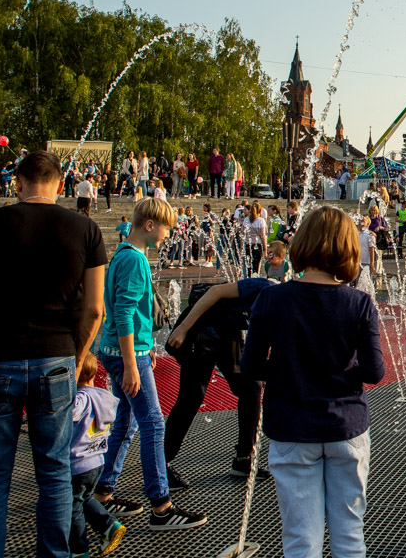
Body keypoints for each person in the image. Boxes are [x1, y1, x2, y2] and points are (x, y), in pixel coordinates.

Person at [0, 150, 107, 556]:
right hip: (56, 361)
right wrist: (75, 354)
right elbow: (96, 309)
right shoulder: (85, 229)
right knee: (54, 475)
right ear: (60, 183)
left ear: (18, 183)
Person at [241, 206, 385, 556]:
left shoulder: (271, 298)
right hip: (346, 425)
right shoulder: (360, 303)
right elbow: (374, 371)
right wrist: (336, 372)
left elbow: (250, 366)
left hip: (291, 426)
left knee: (300, 540)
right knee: (350, 536)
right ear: (348, 249)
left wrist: (290, 370)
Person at [93, 198, 207, 530]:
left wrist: (143, 349)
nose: (169, 234)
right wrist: (132, 362)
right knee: (153, 425)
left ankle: (103, 492)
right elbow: (126, 314)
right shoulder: (133, 261)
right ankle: (161, 505)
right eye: (167, 227)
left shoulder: (127, 256)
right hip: (125, 355)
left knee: (126, 422)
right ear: (149, 225)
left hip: (121, 351)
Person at [165, 278, 278, 489]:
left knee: (251, 386)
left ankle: (243, 460)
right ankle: (160, 466)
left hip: (229, 332)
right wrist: (182, 328)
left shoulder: (290, 308)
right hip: (202, 328)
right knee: (192, 396)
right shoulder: (266, 288)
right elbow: (215, 292)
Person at [70, 351, 125, 557]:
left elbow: (71, 412)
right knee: (85, 497)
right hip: (97, 462)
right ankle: (109, 525)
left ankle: (78, 549)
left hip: (77, 463)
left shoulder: (79, 399)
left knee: (73, 506)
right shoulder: (103, 397)